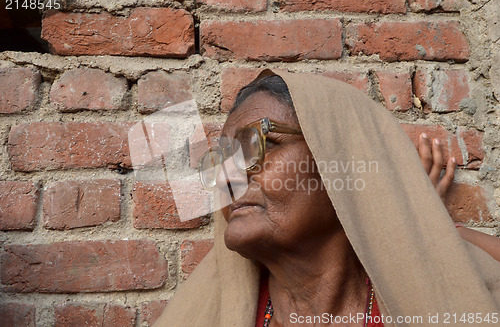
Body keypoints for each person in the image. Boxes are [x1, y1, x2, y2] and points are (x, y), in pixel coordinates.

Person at [154, 70, 500, 326]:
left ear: (341, 162)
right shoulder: (198, 316)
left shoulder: (455, 294)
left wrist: (411, 218)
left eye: (258, 145)